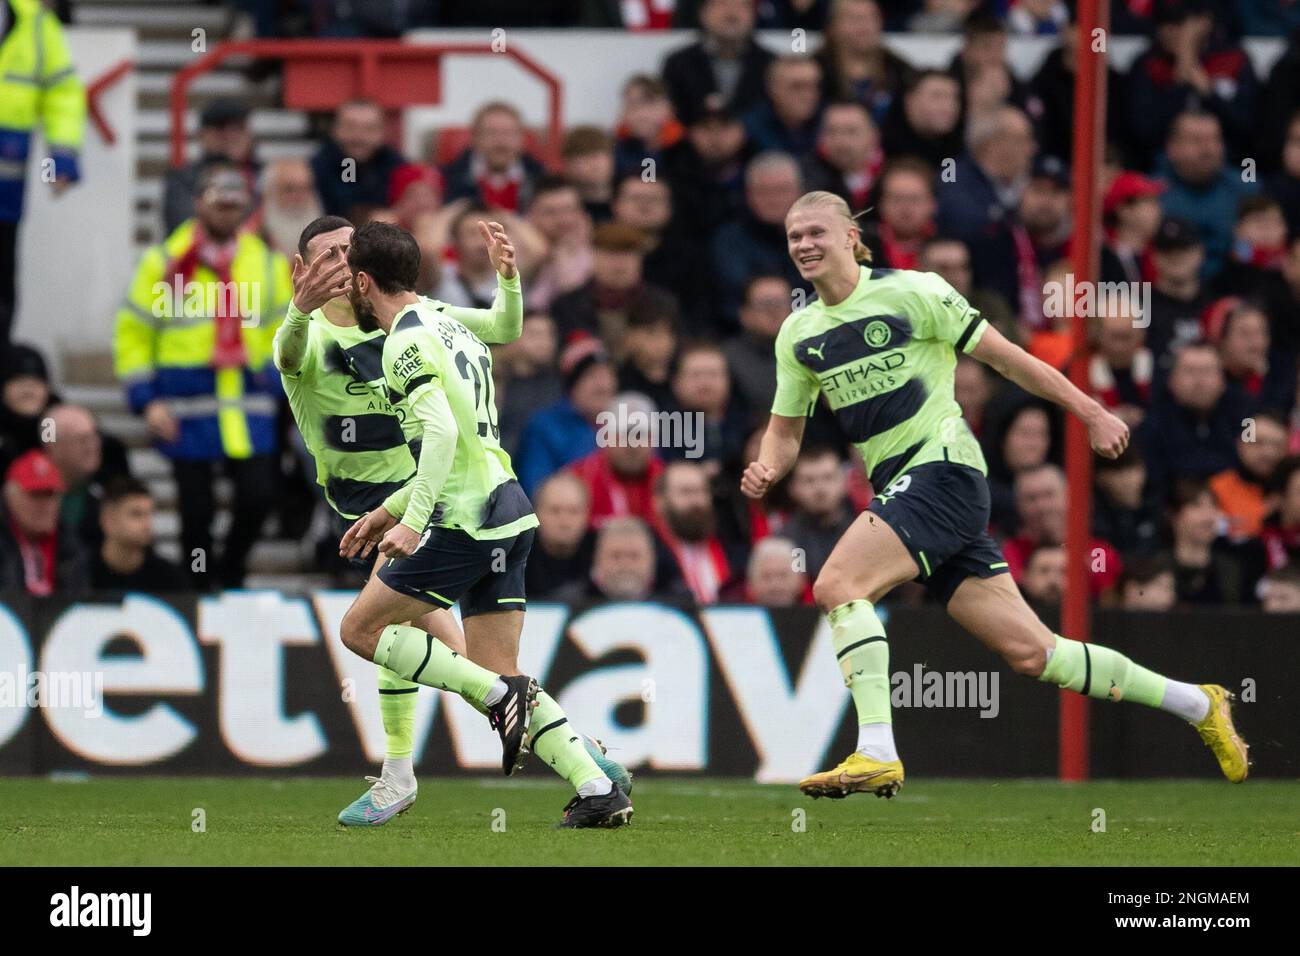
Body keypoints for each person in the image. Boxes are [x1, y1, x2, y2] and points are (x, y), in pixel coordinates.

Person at [742, 189, 1249, 801]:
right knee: (1037, 654)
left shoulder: (915, 292)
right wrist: (767, 468)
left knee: (837, 585)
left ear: (851, 236)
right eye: (795, 237)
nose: (804, 245)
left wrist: (1092, 411)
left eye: (816, 232)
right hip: (910, 492)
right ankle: (1199, 703)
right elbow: (785, 431)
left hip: (944, 471)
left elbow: (1012, 361)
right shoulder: (798, 333)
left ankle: (876, 748)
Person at [334, 221, 633, 828]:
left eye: (350, 284)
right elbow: (506, 328)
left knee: (361, 630)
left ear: (364, 281)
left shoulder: (401, 342)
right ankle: (598, 786)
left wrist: (413, 521)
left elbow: (442, 433)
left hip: (463, 522)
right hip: (511, 510)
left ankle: (499, 702)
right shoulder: (443, 318)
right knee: (495, 667)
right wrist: (509, 279)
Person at [114, 163, 292, 589]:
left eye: (235, 202)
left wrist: (273, 373)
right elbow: (134, 333)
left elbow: (286, 326)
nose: (227, 210)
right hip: (185, 406)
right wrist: (146, 399)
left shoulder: (266, 263)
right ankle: (199, 587)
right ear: (198, 204)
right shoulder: (165, 263)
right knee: (196, 511)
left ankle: (230, 575)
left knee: (258, 497)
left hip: (249, 403)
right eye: (218, 201)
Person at [0, 0, 85, 346]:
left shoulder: (36, 21)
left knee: (2, 278)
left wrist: (61, 159)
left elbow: (62, 94)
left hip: (5, 186)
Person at [0, 449, 87, 595]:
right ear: (10, 497)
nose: (44, 505)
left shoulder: (72, 545)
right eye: (35, 495)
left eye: (50, 495)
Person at [310, 99, 407, 219]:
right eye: (350, 127)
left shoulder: (396, 165)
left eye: (369, 128)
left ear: (382, 132)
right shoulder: (315, 169)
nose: (359, 136)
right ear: (335, 129)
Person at [89, 477, 188, 592]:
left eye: (150, 514)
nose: (147, 524)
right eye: (136, 514)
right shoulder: (79, 574)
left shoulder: (171, 578)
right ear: (108, 521)